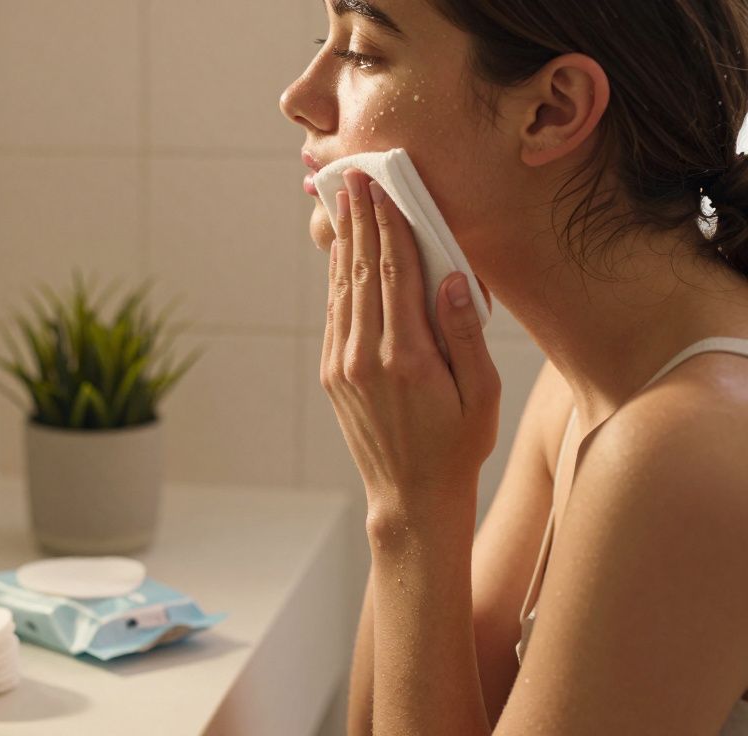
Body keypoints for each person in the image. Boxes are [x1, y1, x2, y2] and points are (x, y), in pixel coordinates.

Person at [279, 0, 748, 733]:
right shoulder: (584, 383)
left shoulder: (683, 445)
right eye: (325, 38)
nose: (299, 98)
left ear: (553, 111)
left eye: (364, 51)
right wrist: (410, 480)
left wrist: (412, 503)